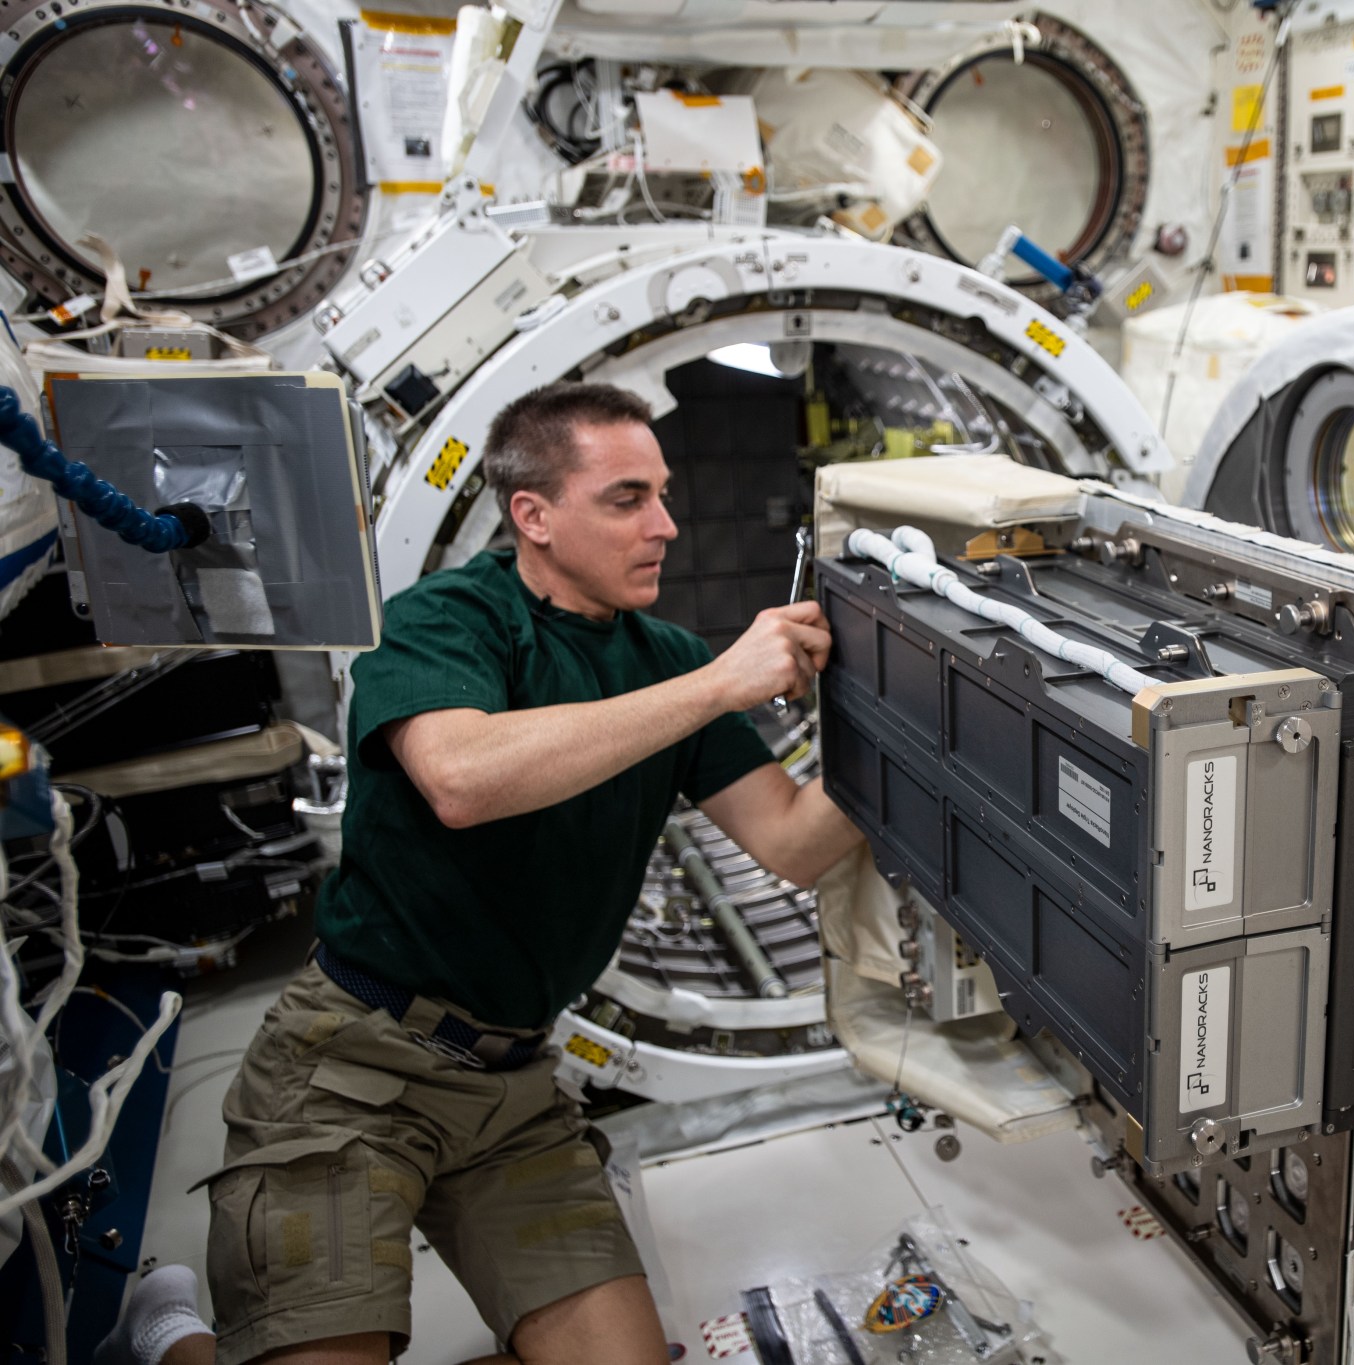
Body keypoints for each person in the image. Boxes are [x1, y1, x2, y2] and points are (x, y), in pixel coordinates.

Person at [100, 382, 862, 1365]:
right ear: (532, 516)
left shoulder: (663, 659)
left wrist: (928, 726)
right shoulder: (442, 619)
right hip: (353, 1067)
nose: (666, 525)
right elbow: (462, 778)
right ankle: (169, 1337)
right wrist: (721, 680)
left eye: (663, 494)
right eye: (626, 498)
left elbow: (794, 842)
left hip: (514, 1093)